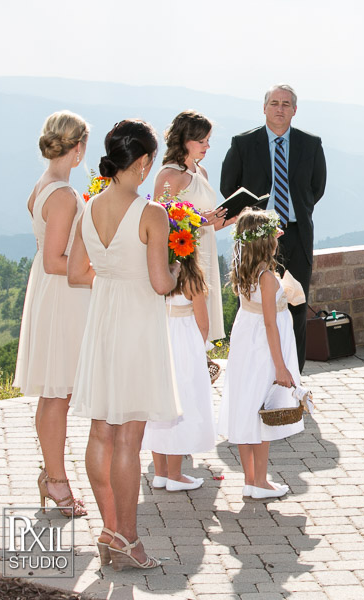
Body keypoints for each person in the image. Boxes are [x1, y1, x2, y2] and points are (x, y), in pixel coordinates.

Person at [68, 120, 182, 570]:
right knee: (129, 440)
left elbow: (78, 274)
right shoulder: (152, 213)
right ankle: (128, 539)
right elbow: (159, 283)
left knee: (101, 431)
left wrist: (114, 274)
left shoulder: (89, 206)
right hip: (136, 324)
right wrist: (176, 271)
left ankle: (108, 528)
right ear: (144, 161)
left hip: (103, 320)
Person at [14, 110, 91, 518]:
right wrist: (102, 271)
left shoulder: (44, 185)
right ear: (78, 148)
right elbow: (54, 261)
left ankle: (52, 474)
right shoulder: (63, 194)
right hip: (62, 293)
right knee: (58, 393)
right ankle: (57, 479)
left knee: (54, 391)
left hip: (50, 294)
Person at [221, 84, 327, 371]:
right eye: (274, 103)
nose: (280, 108)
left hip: (296, 234)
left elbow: (316, 189)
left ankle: (294, 374)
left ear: (294, 110)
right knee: (256, 306)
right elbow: (228, 187)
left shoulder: (311, 144)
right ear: (264, 107)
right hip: (256, 238)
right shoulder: (244, 144)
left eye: (286, 104)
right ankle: (259, 371)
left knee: (296, 305)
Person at [218, 209, 302, 500]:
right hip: (263, 349)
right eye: (274, 233)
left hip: (246, 342)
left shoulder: (245, 267)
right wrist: (280, 366)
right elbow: (269, 322)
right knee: (262, 410)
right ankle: (260, 481)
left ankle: (251, 479)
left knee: (246, 405)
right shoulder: (266, 276)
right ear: (266, 241)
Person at [141, 249, 216, 492]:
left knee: (158, 407)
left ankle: (160, 473)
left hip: (158, 342)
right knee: (182, 405)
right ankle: (175, 475)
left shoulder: (153, 276)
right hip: (184, 348)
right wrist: (200, 352)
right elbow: (203, 324)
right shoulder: (192, 279)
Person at [155, 110, 233, 342]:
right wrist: (199, 219)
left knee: (205, 325)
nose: (207, 146)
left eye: (208, 140)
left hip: (206, 252)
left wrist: (235, 217)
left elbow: (209, 225)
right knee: (188, 327)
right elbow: (160, 223)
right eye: (201, 141)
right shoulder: (169, 175)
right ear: (183, 140)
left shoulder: (202, 172)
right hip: (184, 259)